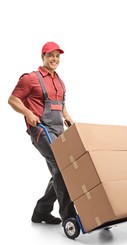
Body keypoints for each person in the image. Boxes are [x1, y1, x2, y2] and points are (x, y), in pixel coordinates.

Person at [8, 41, 77, 227]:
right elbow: (13, 100)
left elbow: (61, 106)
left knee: (62, 170)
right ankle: (69, 218)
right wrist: (28, 113)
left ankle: (41, 211)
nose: (54, 59)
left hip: (58, 130)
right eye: (50, 55)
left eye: (57, 56)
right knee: (62, 167)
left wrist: (68, 118)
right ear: (43, 57)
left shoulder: (60, 81)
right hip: (41, 130)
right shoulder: (30, 78)